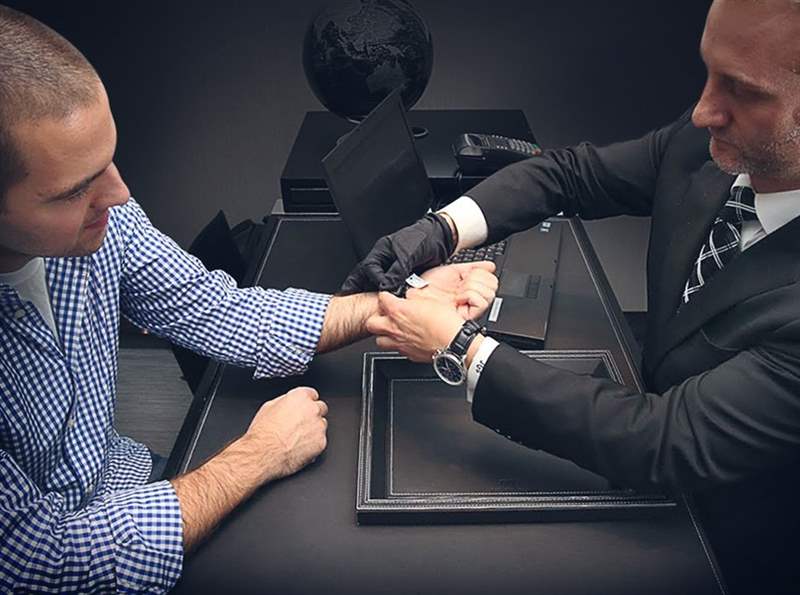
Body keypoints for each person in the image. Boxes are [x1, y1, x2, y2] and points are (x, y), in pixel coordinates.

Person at [0, 6, 498, 593]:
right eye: (74, 190)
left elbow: (215, 309)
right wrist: (258, 455)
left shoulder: (105, 217)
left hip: (124, 482)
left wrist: (386, 306)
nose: (119, 193)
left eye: (110, 160)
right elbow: (43, 563)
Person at [351, 0, 800, 592]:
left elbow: (666, 442)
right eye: (709, 72)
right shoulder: (707, 145)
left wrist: (459, 348)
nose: (702, 111)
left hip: (731, 545)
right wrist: (441, 230)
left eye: (743, 89)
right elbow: (568, 174)